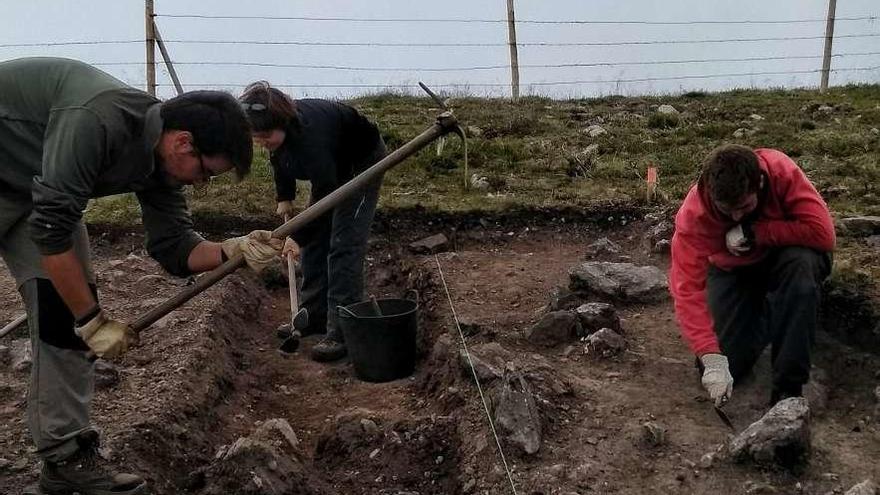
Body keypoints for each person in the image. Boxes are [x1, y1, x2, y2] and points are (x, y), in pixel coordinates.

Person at [0, 57, 283, 495]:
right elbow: (53, 233)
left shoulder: (161, 161)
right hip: (30, 186)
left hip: (32, 188)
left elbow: (174, 248)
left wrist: (233, 249)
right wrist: (93, 320)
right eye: (206, 172)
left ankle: (64, 457)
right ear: (183, 143)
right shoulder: (96, 118)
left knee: (63, 318)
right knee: (80, 314)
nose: (201, 184)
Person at [669, 144, 835, 409]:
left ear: (759, 183)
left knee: (800, 267)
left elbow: (823, 233)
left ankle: (787, 392)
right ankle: (774, 313)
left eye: (744, 206)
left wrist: (756, 231)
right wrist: (710, 355)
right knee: (724, 365)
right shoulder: (694, 215)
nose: (735, 216)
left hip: (788, 260)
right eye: (726, 209)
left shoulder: (781, 171)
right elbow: (686, 288)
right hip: (735, 269)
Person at [238, 81, 387, 363]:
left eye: (266, 134)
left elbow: (326, 194)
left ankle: (341, 330)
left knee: (344, 244)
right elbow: (278, 157)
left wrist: (298, 236)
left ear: (283, 122)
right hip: (333, 166)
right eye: (256, 136)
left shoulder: (311, 138)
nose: (262, 140)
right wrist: (285, 196)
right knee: (316, 238)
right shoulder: (282, 134)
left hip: (362, 163)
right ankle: (314, 316)